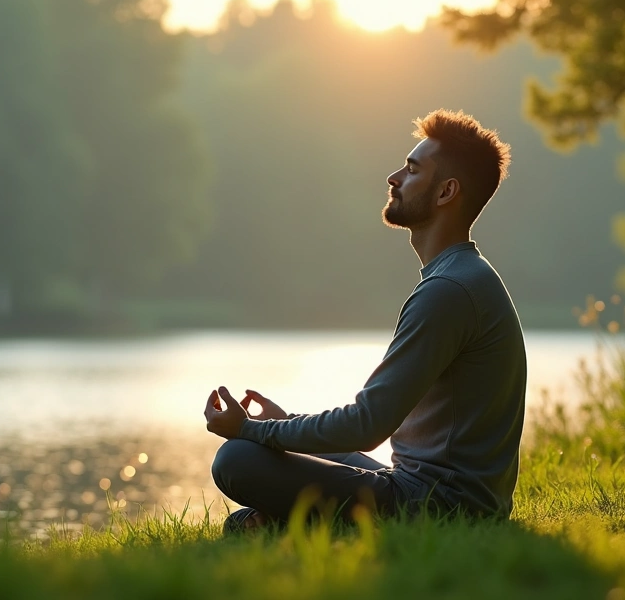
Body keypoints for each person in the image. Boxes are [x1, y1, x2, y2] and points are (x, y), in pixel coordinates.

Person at [204, 109, 527, 533]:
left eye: (412, 170)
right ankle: (284, 523)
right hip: (425, 488)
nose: (393, 178)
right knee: (263, 457)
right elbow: (372, 423)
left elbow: (367, 424)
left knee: (235, 459)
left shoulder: (449, 290)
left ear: (447, 192)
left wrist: (253, 431)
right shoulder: (462, 277)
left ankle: (285, 523)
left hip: (445, 508)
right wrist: (280, 424)